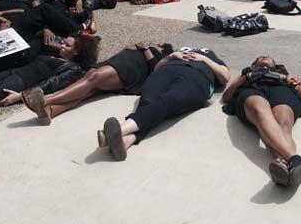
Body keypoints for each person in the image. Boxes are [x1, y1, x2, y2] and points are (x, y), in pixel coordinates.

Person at [96, 47, 230, 161]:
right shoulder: (175, 53)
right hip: (167, 70)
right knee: (148, 102)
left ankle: (118, 131)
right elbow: (156, 69)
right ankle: (126, 141)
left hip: (197, 76)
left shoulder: (210, 56)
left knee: (170, 99)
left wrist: (203, 59)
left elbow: (225, 76)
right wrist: (171, 56)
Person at [22, 42, 173, 124]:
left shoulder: (160, 55)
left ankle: (45, 101)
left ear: (162, 47)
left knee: (92, 79)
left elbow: (155, 70)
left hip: (127, 70)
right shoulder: (141, 47)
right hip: (116, 64)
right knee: (87, 91)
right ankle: (51, 111)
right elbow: (123, 51)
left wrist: (147, 48)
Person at [222, 56, 301, 187]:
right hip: (253, 89)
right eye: (260, 57)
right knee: (260, 111)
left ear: (275, 64)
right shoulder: (247, 73)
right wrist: (246, 77)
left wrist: (285, 79)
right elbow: (226, 97)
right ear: (254, 64)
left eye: (268, 57)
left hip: (281, 90)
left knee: (283, 125)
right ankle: (294, 159)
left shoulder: (283, 75)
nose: (265, 57)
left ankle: (284, 168)